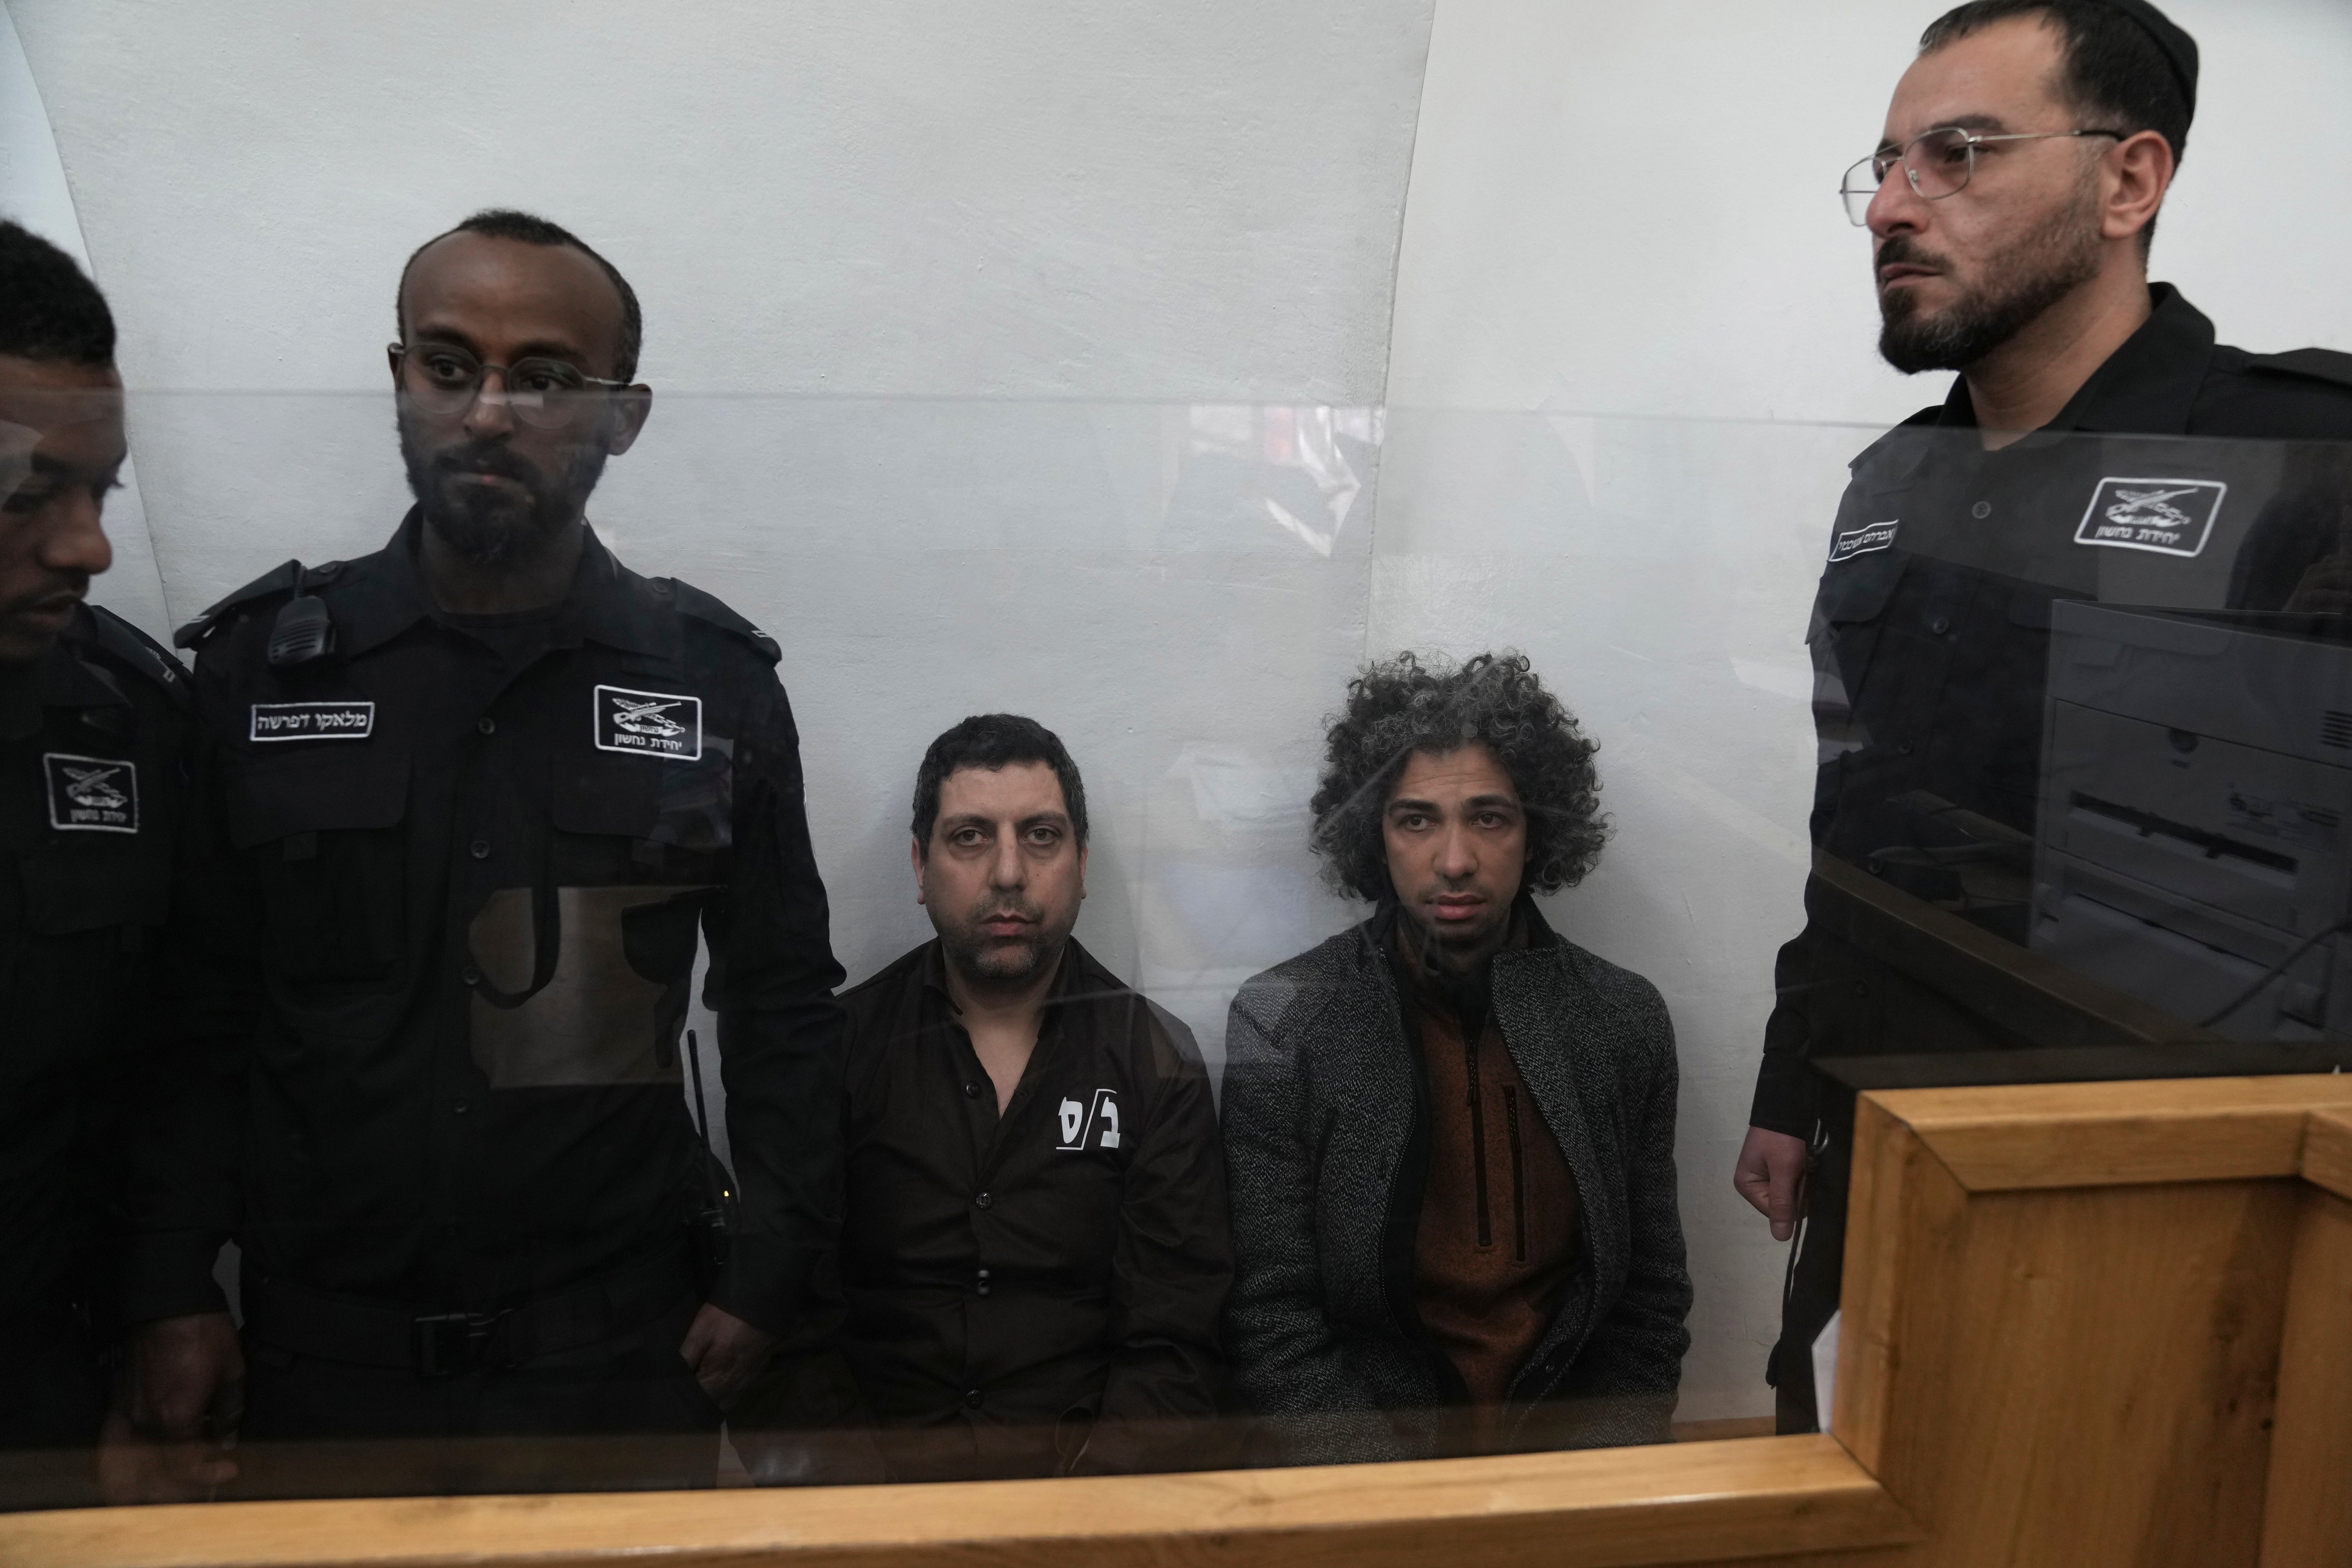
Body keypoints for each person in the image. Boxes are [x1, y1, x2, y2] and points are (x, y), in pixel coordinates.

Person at [111, 210, 846, 1496]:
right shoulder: (266, 671)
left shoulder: (709, 688)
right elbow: (199, 1005)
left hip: (618, 1363)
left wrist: (770, 1274)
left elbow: (779, 1001)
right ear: (400, 380)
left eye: (547, 378)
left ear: (624, 417)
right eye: (450, 365)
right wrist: (170, 1282)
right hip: (325, 1370)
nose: (490, 412)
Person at [1734, 0, 2352, 1434]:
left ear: (2127, 181)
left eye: (1956, 154)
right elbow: (1856, 825)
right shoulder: (1893, 487)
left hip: (2165, 1211)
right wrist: (1790, 1078)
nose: (1891, 207)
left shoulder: (2302, 459)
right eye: (1887, 164)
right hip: (1885, 1154)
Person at [1222, 652, 1689, 1463]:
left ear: (1535, 831)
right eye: (1417, 821)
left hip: (1571, 1462)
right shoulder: (1284, 1017)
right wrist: (1386, 1496)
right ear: (1375, 836)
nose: (1454, 860)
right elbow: (1271, 1315)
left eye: (1489, 818)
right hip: (1369, 1466)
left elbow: (1648, 1301)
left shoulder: (1623, 1019)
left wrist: (1592, 1479)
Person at [737, 714, 1230, 1482]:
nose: (1008, 873)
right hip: (869, 1502)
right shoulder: (838, 1051)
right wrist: (869, 1516)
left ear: (1082, 863)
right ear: (920, 865)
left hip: (1085, 1500)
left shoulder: (1155, 1058)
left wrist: (1087, 1516)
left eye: (1041, 836)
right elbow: (786, 1326)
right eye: (970, 837)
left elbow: (1178, 1340)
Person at [0, 222, 192, 1508]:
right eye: (27, 494)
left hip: (47, 1398)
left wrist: (153, 1329)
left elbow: (168, 1061)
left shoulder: (125, 717)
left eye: (102, 494)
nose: (88, 547)